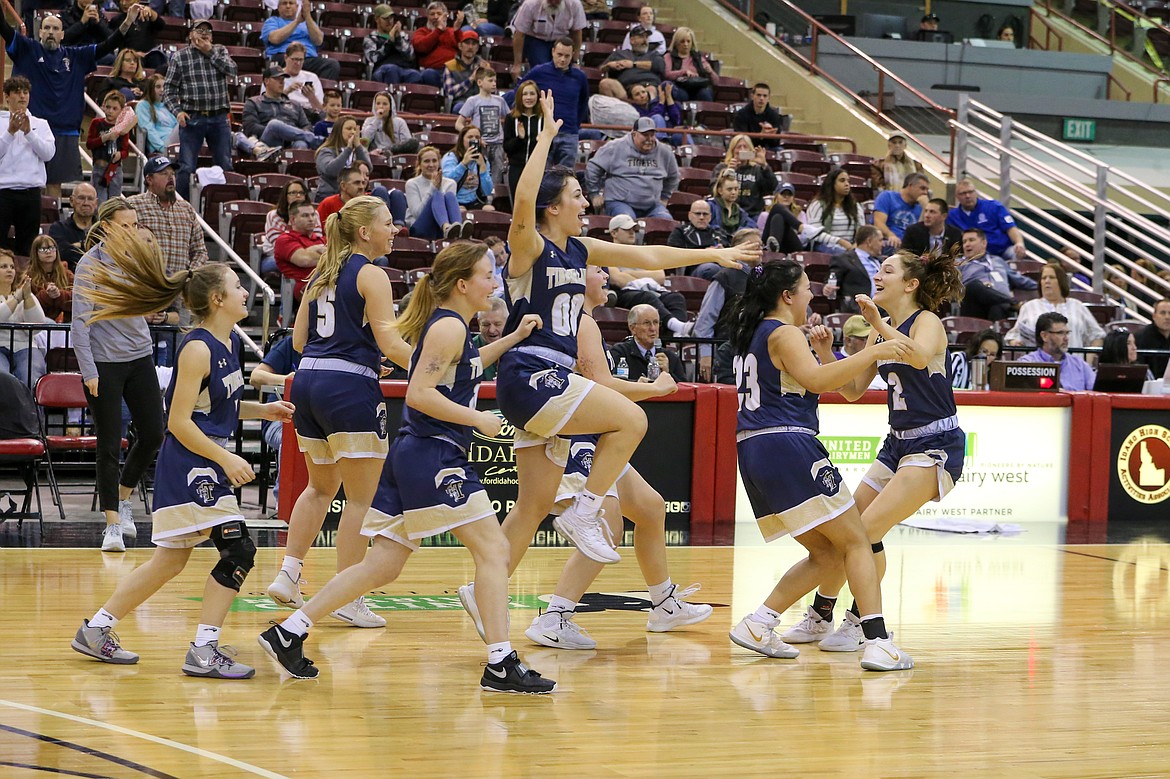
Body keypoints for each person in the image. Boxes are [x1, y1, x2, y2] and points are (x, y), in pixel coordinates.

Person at [473, 91, 754, 614]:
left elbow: (646, 253)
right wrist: (546, 141)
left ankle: (481, 588)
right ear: (553, 206)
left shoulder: (580, 250)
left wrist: (712, 252)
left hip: (543, 385)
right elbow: (522, 199)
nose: (586, 204)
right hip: (531, 372)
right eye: (577, 195)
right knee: (630, 420)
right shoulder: (530, 246)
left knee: (531, 505)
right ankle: (585, 509)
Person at [258, 242, 556, 693]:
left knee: (383, 565)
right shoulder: (448, 329)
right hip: (435, 455)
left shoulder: (454, 328)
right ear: (461, 284)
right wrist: (477, 418)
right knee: (494, 550)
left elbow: (467, 367)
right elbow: (418, 393)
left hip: (414, 453)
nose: (494, 282)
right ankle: (501, 662)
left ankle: (289, 631)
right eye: (486, 275)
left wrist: (511, 340)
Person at [70, 233, 294, 680]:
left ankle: (96, 629)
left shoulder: (227, 343)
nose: (245, 291)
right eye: (236, 285)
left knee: (169, 561)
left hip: (202, 460)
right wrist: (226, 460)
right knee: (239, 550)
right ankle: (204, 649)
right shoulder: (196, 348)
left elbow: (213, 407)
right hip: (191, 462)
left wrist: (260, 409)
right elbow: (178, 421)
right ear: (217, 299)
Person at [726, 259, 912, 671]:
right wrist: (876, 349)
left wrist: (842, 352)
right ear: (787, 296)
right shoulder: (784, 332)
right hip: (788, 443)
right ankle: (878, 641)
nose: (812, 294)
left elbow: (826, 379)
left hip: (754, 450)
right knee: (856, 542)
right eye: (807, 287)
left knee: (828, 554)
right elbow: (817, 381)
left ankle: (759, 623)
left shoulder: (753, 332)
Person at [791, 249, 967, 655]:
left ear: (911, 284)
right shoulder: (878, 331)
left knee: (867, 532)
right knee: (845, 531)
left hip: (935, 443)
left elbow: (919, 356)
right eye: (878, 268)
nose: (878, 275)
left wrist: (875, 323)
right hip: (897, 443)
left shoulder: (928, 322)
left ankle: (859, 623)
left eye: (888, 270)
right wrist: (825, 352)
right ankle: (821, 615)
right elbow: (853, 391)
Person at [523, 265, 707, 649]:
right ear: (575, 280)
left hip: (596, 432)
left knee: (651, 508)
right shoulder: (578, 321)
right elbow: (600, 386)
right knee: (607, 527)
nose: (606, 276)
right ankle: (555, 617)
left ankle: (664, 604)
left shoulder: (585, 320)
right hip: (578, 435)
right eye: (598, 271)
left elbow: (600, 389)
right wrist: (655, 389)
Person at [265, 195, 412, 628]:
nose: (395, 230)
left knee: (319, 487)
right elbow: (390, 343)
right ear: (364, 232)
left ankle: (289, 574)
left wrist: (356, 351)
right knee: (361, 499)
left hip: (308, 382)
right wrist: (434, 366)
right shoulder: (372, 274)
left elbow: (296, 344)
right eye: (388, 223)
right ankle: (349, 595)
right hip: (348, 389)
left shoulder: (320, 273)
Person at [71, 198, 166, 553]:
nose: (133, 231)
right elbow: (79, 323)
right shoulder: (89, 266)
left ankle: (123, 497)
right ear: (107, 226)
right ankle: (111, 524)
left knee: (154, 433)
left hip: (140, 356)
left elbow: (150, 302)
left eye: (136, 225)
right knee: (109, 444)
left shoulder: (138, 257)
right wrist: (88, 370)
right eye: (126, 225)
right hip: (104, 363)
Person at [0, 1, 137, 198]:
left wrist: (128, 21)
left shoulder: (76, 56)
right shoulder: (27, 48)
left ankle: (50, 226)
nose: (50, 32)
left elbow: (109, 45)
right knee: (27, 185)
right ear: (39, 33)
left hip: (65, 132)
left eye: (55, 28)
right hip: (30, 129)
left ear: (62, 34)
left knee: (54, 186)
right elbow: (3, 27)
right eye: (46, 27)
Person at [162, 18, 237, 201]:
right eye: (199, 30)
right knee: (186, 166)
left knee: (224, 164)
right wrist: (178, 111)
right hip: (193, 118)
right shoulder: (180, 57)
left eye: (208, 31)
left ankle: (222, 204)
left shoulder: (219, 50)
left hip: (219, 118)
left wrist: (209, 51)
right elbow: (168, 90)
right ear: (190, 35)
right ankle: (178, 206)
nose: (204, 33)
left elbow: (233, 70)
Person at [605, 214, 692, 339]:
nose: (632, 233)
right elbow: (618, 279)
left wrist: (628, 274)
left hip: (646, 290)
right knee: (647, 297)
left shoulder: (642, 252)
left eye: (634, 230)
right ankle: (677, 326)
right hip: (624, 294)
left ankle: (675, 337)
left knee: (676, 298)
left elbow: (660, 275)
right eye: (627, 230)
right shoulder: (607, 253)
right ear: (614, 233)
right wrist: (647, 277)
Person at [694, 228, 764, 383]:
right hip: (726, 352)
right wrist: (706, 354)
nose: (760, 250)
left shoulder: (766, 277)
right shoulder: (725, 277)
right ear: (739, 248)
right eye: (754, 246)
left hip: (758, 351)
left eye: (761, 245)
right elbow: (705, 319)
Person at [127, 156, 207, 280]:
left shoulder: (187, 209)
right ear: (149, 179)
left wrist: (189, 276)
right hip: (146, 287)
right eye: (164, 173)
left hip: (180, 290)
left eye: (173, 174)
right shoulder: (133, 205)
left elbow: (200, 251)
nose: (171, 177)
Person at [0, 75, 54, 257]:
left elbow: (48, 153)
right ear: (7, 96)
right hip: (3, 191)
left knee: (28, 247)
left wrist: (29, 132)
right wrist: (10, 132)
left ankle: (26, 283)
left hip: (31, 191)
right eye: (17, 92)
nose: (22, 96)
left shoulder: (41, 124)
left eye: (25, 92)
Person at [586, 117, 678, 220]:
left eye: (652, 135)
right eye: (645, 135)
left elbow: (673, 176)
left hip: (652, 206)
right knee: (627, 221)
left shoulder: (665, 151)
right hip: (619, 202)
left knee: (666, 222)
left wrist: (665, 197)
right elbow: (593, 167)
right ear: (634, 134)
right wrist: (594, 194)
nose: (649, 139)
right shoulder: (615, 147)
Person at [249, 331, 301, 503]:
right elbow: (256, 377)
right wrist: (286, 379)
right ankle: (284, 503)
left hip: (320, 420)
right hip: (280, 419)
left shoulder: (341, 347)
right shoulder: (290, 344)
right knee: (290, 437)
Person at [1004, 262, 1105, 349]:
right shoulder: (1028, 307)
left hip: (1073, 364)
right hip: (1038, 364)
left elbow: (1097, 335)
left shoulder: (1078, 306)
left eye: (1052, 277)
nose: (1047, 281)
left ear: (1061, 281)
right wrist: (1015, 342)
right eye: (1044, 278)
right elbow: (1014, 335)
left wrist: (1088, 360)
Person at [525, 38, 591, 168]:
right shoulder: (539, 71)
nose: (563, 59)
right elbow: (520, 91)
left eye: (567, 56)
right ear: (553, 52)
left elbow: (583, 103)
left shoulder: (580, 77)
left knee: (566, 178)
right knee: (541, 176)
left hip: (569, 133)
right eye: (559, 55)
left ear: (573, 55)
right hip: (544, 132)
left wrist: (574, 125)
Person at [957, 227, 1036, 321]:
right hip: (974, 306)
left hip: (1001, 306)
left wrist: (1041, 285)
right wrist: (982, 288)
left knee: (997, 306)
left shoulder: (997, 261)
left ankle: (996, 333)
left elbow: (1019, 280)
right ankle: (1013, 303)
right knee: (973, 285)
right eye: (964, 241)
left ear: (984, 243)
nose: (967, 245)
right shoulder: (959, 264)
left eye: (971, 240)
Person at [243, 66, 319, 153]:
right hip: (267, 143)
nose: (281, 82)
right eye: (277, 79)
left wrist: (290, 134)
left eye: (283, 79)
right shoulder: (253, 102)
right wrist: (281, 132)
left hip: (292, 141)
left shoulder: (295, 104)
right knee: (274, 124)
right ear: (266, 81)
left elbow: (306, 126)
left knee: (301, 143)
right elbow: (250, 128)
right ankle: (316, 140)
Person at [947, 179, 1028, 260]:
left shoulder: (994, 206)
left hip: (1003, 251)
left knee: (1016, 252)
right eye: (963, 193)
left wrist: (1019, 243)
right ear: (957, 197)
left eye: (971, 192)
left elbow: (1011, 228)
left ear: (976, 193)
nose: (968, 196)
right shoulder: (952, 216)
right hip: (974, 256)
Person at [0, 249, 47, 387]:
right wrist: (16, 299)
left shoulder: (25, 295)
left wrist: (27, 298)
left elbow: (37, 326)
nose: (10, 270)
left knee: (31, 374)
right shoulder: (18, 296)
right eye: (3, 266)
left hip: (25, 347)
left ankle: (32, 409)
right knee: (2, 378)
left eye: (12, 267)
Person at [261, 0, 340, 81]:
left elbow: (319, 40)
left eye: (291, 3)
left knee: (332, 64)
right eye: (284, 3)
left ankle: (317, 91)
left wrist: (307, 16)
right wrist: (297, 22)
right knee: (288, 60)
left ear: (297, 7)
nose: (288, 6)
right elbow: (275, 39)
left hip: (308, 59)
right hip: (284, 57)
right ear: (278, 7)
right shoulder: (272, 21)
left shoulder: (309, 23)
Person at [457, 67, 509, 188]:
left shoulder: (500, 101)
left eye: (495, 81)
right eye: (490, 80)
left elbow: (510, 120)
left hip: (498, 145)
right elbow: (459, 124)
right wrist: (475, 138)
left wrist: (506, 140)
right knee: (478, 174)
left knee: (496, 176)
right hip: (480, 145)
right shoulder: (473, 101)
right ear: (480, 82)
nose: (494, 84)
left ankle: (492, 198)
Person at [1018, 311, 1097, 391]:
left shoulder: (1080, 364)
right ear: (1044, 336)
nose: (1066, 338)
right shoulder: (1027, 364)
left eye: (1067, 333)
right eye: (1060, 333)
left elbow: (1097, 393)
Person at [609, 303, 687, 382]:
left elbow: (685, 389)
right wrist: (636, 384)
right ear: (633, 328)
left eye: (656, 322)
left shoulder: (671, 357)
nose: (653, 328)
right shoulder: (620, 353)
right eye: (647, 323)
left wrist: (667, 373)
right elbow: (611, 384)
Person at [367, 4, 440, 87]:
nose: (389, 21)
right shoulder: (371, 38)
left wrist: (398, 39)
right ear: (377, 19)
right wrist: (389, 42)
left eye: (391, 18)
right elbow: (373, 58)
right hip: (383, 69)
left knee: (415, 74)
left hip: (404, 69)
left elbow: (411, 56)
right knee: (391, 69)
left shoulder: (403, 36)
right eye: (385, 18)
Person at [406, 145, 467, 240]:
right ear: (419, 164)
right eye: (426, 161)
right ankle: (446, 227)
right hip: (421, 228)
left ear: (439, 163)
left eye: (434, 161)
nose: (431, 165)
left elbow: (448, 209)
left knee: (449, 195)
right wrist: (433, 188)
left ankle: (458, 230)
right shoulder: (412, 184)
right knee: (437, 194)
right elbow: (417, 214)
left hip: (440, 229)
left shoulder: (450, 183)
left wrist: (439, 186)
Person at [263, 179, 319, 277]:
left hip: (306, 254)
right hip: (276, 257)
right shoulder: (274, 215)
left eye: (301, 193)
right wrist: (303, 253)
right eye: (293, 193)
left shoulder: (314, 214)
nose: (298, 196)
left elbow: (318, 240)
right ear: (286, 196)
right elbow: (280, 246)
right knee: (301, 261)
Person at [86, 90, 135, 202]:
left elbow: (125, 150)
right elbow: (89, 144)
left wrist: (120, 154)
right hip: (99, 166)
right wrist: (105, 137)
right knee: (100, 201)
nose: (110, 111)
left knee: (114, 201)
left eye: (114, 108)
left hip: (115, 168)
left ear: (121, 110)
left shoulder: (123, 127)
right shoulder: (97, 123)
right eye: (107, 107)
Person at [712, 135, 776, 220]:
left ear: (750, 151)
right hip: (727, 213)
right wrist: (729, 171)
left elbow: (772, 188)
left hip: (752, 215)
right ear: (732, 150)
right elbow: (714, 190)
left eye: (745, 147)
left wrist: (765, 166)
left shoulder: (757, 169)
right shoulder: (721, 167)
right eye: (738, 147)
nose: (742, 150)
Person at [804, 168, 864, 255]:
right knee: (843, 255)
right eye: (842, 181)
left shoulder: (856, 206)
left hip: (851, 247)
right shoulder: (818, 205)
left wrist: (856, 244)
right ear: (832, 184)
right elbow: (814, 233)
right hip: (826, 246)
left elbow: (861, 230)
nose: (847, 184)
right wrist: (840, 241)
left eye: (848, 181)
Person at [502, 79, 544, 203]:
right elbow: (507, 147)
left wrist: (543, 141)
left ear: (537, 96)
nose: (528, 97)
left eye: (532, 94)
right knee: (518, 204)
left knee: (536, 205)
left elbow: (550, 148)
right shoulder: (511, 118)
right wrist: (520, 138)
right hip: (516, 167)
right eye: (525, 94)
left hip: (537, 169)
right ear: (519, 97)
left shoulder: (543, 118)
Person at [511, 0, 586, 69]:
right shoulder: (530, 4)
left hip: (562, 39)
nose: (553, 2)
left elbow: (577, 33)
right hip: (536, 39)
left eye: (557, 1)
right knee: (543, 68)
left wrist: (575, 61)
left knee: (563, 67)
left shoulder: (575, 4)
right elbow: (519, 35)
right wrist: (517, 64)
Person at [275, 201, 326, 300]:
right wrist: (330, 254)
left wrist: (311, 251)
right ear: (293, 219)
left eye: (313, 215)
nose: (311, 219)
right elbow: (304, 260)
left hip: (327, 283)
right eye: (305, 216)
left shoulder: (322, 240)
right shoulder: (285, 239)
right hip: (306, 288)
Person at [598, 25, 666, 100]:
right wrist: (609, 65)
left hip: (648, 86)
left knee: (650, 90)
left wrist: (633, 64)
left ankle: (648, 111)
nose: (645, 40)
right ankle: (620, 109)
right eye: (641, 37)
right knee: (605, 83)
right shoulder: (620, 54)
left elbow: (660, 66)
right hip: (625, 90)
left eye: (646, 37)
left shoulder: (654, 54)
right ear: (632, 40)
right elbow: (602, 68)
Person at [314, 115, 372, 201]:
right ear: (338, 131)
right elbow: (331, 170)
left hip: (355, 196)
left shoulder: (359, 150)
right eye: (349, 129)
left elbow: (368, 170)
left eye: (355, 130)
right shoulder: (325, 151)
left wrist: (358, 147)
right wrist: (348, 149)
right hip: (330, 195)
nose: (353, 132)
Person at [828, 225, 882, 313]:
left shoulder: (881, 261)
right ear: (869, 241)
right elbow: (831, 280)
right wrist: (828, 287)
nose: (882, 244)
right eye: (880, 240)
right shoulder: (843, 259)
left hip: (883, 308)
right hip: (857, 308)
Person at [442, 125, 495, 211]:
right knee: (462, 210)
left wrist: (483, 169)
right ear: (462, 140)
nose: (474, 140)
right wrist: (463, 164)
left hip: (474, 201)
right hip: (454, 200)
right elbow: (447, 181)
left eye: (477, 137)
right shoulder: (451, 157)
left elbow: (487, 191)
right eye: (470, 137)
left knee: (490, 209)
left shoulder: (483, 160)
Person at [873, 172, 929, 249]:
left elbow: (919, 233)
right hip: (888, 242)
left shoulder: (920, 206)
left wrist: (925, 208)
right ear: (910, 186)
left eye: (927, 190)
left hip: (909, 247)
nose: (925, 193)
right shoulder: (887, 196)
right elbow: (878, 223)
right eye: (922, 188)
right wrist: (891, 235)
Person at [49, 183, 98, 269]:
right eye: (81, 198)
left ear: (96, 203)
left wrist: (77, 245)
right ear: (71, 201)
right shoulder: (58, 228)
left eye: (90, 199)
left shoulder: (104, 229)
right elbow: (61, 253)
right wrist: (88, 246)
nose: (86, 203)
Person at [663, 27, 717, 103]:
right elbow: (667, 74)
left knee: (705, 94)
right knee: (682, 95)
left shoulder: (698, 57)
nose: (686, 44)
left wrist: (711, 72)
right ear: (676, 43)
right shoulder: (668, 56)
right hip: (678, 86)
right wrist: (684, 72)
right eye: (682, 41)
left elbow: (716, 81)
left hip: (697, 87)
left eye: (688, 41)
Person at [413, 1, 465, 77]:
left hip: (453, 70)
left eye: (439, 14)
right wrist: (438, 30)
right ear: (427, 16)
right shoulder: (421, 32)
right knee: (428, 74)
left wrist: (457, 30)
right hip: (432, 71)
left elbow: (464, 48)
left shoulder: (452, 31)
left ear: (445, 16)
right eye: (432, 14)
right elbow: (421, 47)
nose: (436, 17)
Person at [28, 235, 73, 323]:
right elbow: (28, 306)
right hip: (40, 323)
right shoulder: (29, 277)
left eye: (52, 248)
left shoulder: (67, 274)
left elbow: (77, 299)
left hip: (67, 323)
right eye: (43, 249)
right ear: (35, 253)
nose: (48, 252)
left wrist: (60, 294)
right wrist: (47, 295)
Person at [361, 91, 418, 157]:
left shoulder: (399, 122)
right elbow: (365, 139)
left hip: (395, 153)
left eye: (385, 104)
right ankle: (383, 152)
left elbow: (406, 142)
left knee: (414, 142)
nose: (381, 106)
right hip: (375, 153)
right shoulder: (369, 121)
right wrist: (377, 119)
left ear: (390, 107)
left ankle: (385, 151)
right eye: (378, 103)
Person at [707, 169, 757, 243]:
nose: (733, 192)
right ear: (720, 190)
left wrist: (738, 234)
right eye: (729, 189)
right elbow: (707, 226)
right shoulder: (710, 206)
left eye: (736, 189)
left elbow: (752, 225)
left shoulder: (739, 211)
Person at [441, 30, 487, 110]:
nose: (470, 47)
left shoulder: (484, 66)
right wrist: (471, 79)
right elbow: (449, 92)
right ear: (460, 46)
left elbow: (491, 91)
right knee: (461, 107)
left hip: (480, 102)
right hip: (460, 102)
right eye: (467, 43)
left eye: (474, 44)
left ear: (477, 48)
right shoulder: (450, 66)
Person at [135, 73, 179, 156]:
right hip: (161, 146)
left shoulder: (168, 106)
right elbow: (149, 129)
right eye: (158, 87)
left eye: (164, 87)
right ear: (150, 88)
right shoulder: (143, 105)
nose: (162, 90)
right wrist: (162, 148)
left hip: (176, 143)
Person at [732, 83, 787, 149]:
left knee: (779, 150)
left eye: (765, 96)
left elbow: (776, 143)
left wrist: (772, 136)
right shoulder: (741, 114)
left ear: (768, 98)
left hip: (767, 149)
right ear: (752, 96)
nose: (761, 98)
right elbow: (742, 140)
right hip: (748, 149)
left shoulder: (774, 115)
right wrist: (760, 136)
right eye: (758, 95)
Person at [762, 181, 810, 254]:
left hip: (793, 248)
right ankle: (774, 246)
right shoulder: (765, 215)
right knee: (778, 215)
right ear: (776, 196)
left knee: (781, 217)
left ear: (793, 197)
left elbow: (804, 238)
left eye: (789, 194)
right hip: (767, 246)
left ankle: (774, 247)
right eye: (783, 194)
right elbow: (761, 236)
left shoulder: (801, 214)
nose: (786, 197)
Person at [282, 42, 324, 120]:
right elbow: (267, 104)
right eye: (294, 59)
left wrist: (311, 97)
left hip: (308, 115)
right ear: (286, 58)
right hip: (285, 114)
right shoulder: (275, 76)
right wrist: (287, 91)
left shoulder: (312, 77)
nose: (298, 63)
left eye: (301, 60)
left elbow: (321, 110)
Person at [471, 294, 507, 380]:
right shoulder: (469, 348)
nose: (491, 330)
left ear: (508, 322)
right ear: (479, 323)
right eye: (486, 324)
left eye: (497, 324)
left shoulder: (519, 348)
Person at [1135, 298, 1170, 377]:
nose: (1167, 317)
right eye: (1163, 313)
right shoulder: (1141, 337)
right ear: (1154, 316)